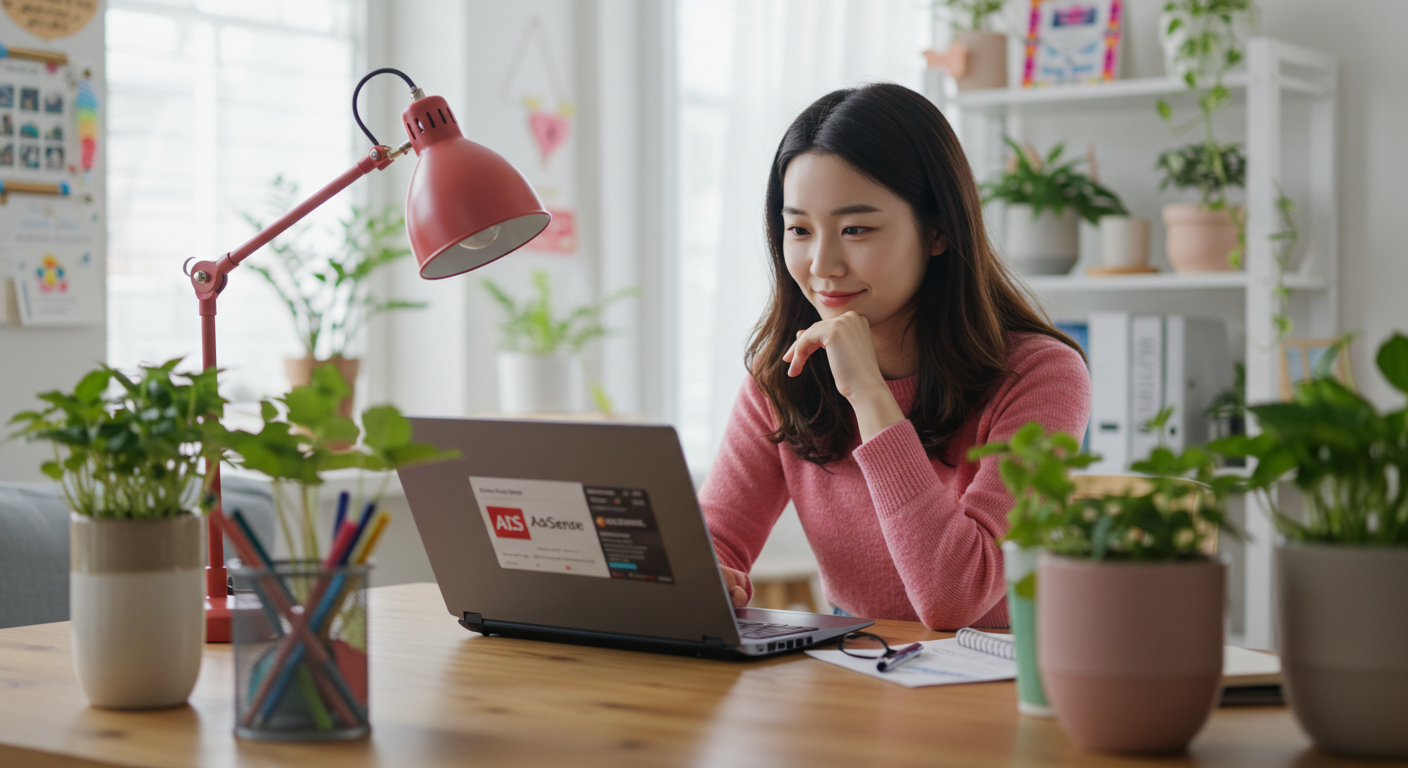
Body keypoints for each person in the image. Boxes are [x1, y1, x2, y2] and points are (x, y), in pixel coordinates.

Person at [700, 83, 1091, 630]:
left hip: (1007, 679)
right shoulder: (784, 375)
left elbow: (954, 598)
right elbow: (712, 543)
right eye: (799, 230)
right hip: (861, 670)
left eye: (855, 229)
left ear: (938, 231)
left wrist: (869, 394)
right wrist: (710, 576)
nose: (822, 264)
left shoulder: (1041, 375)